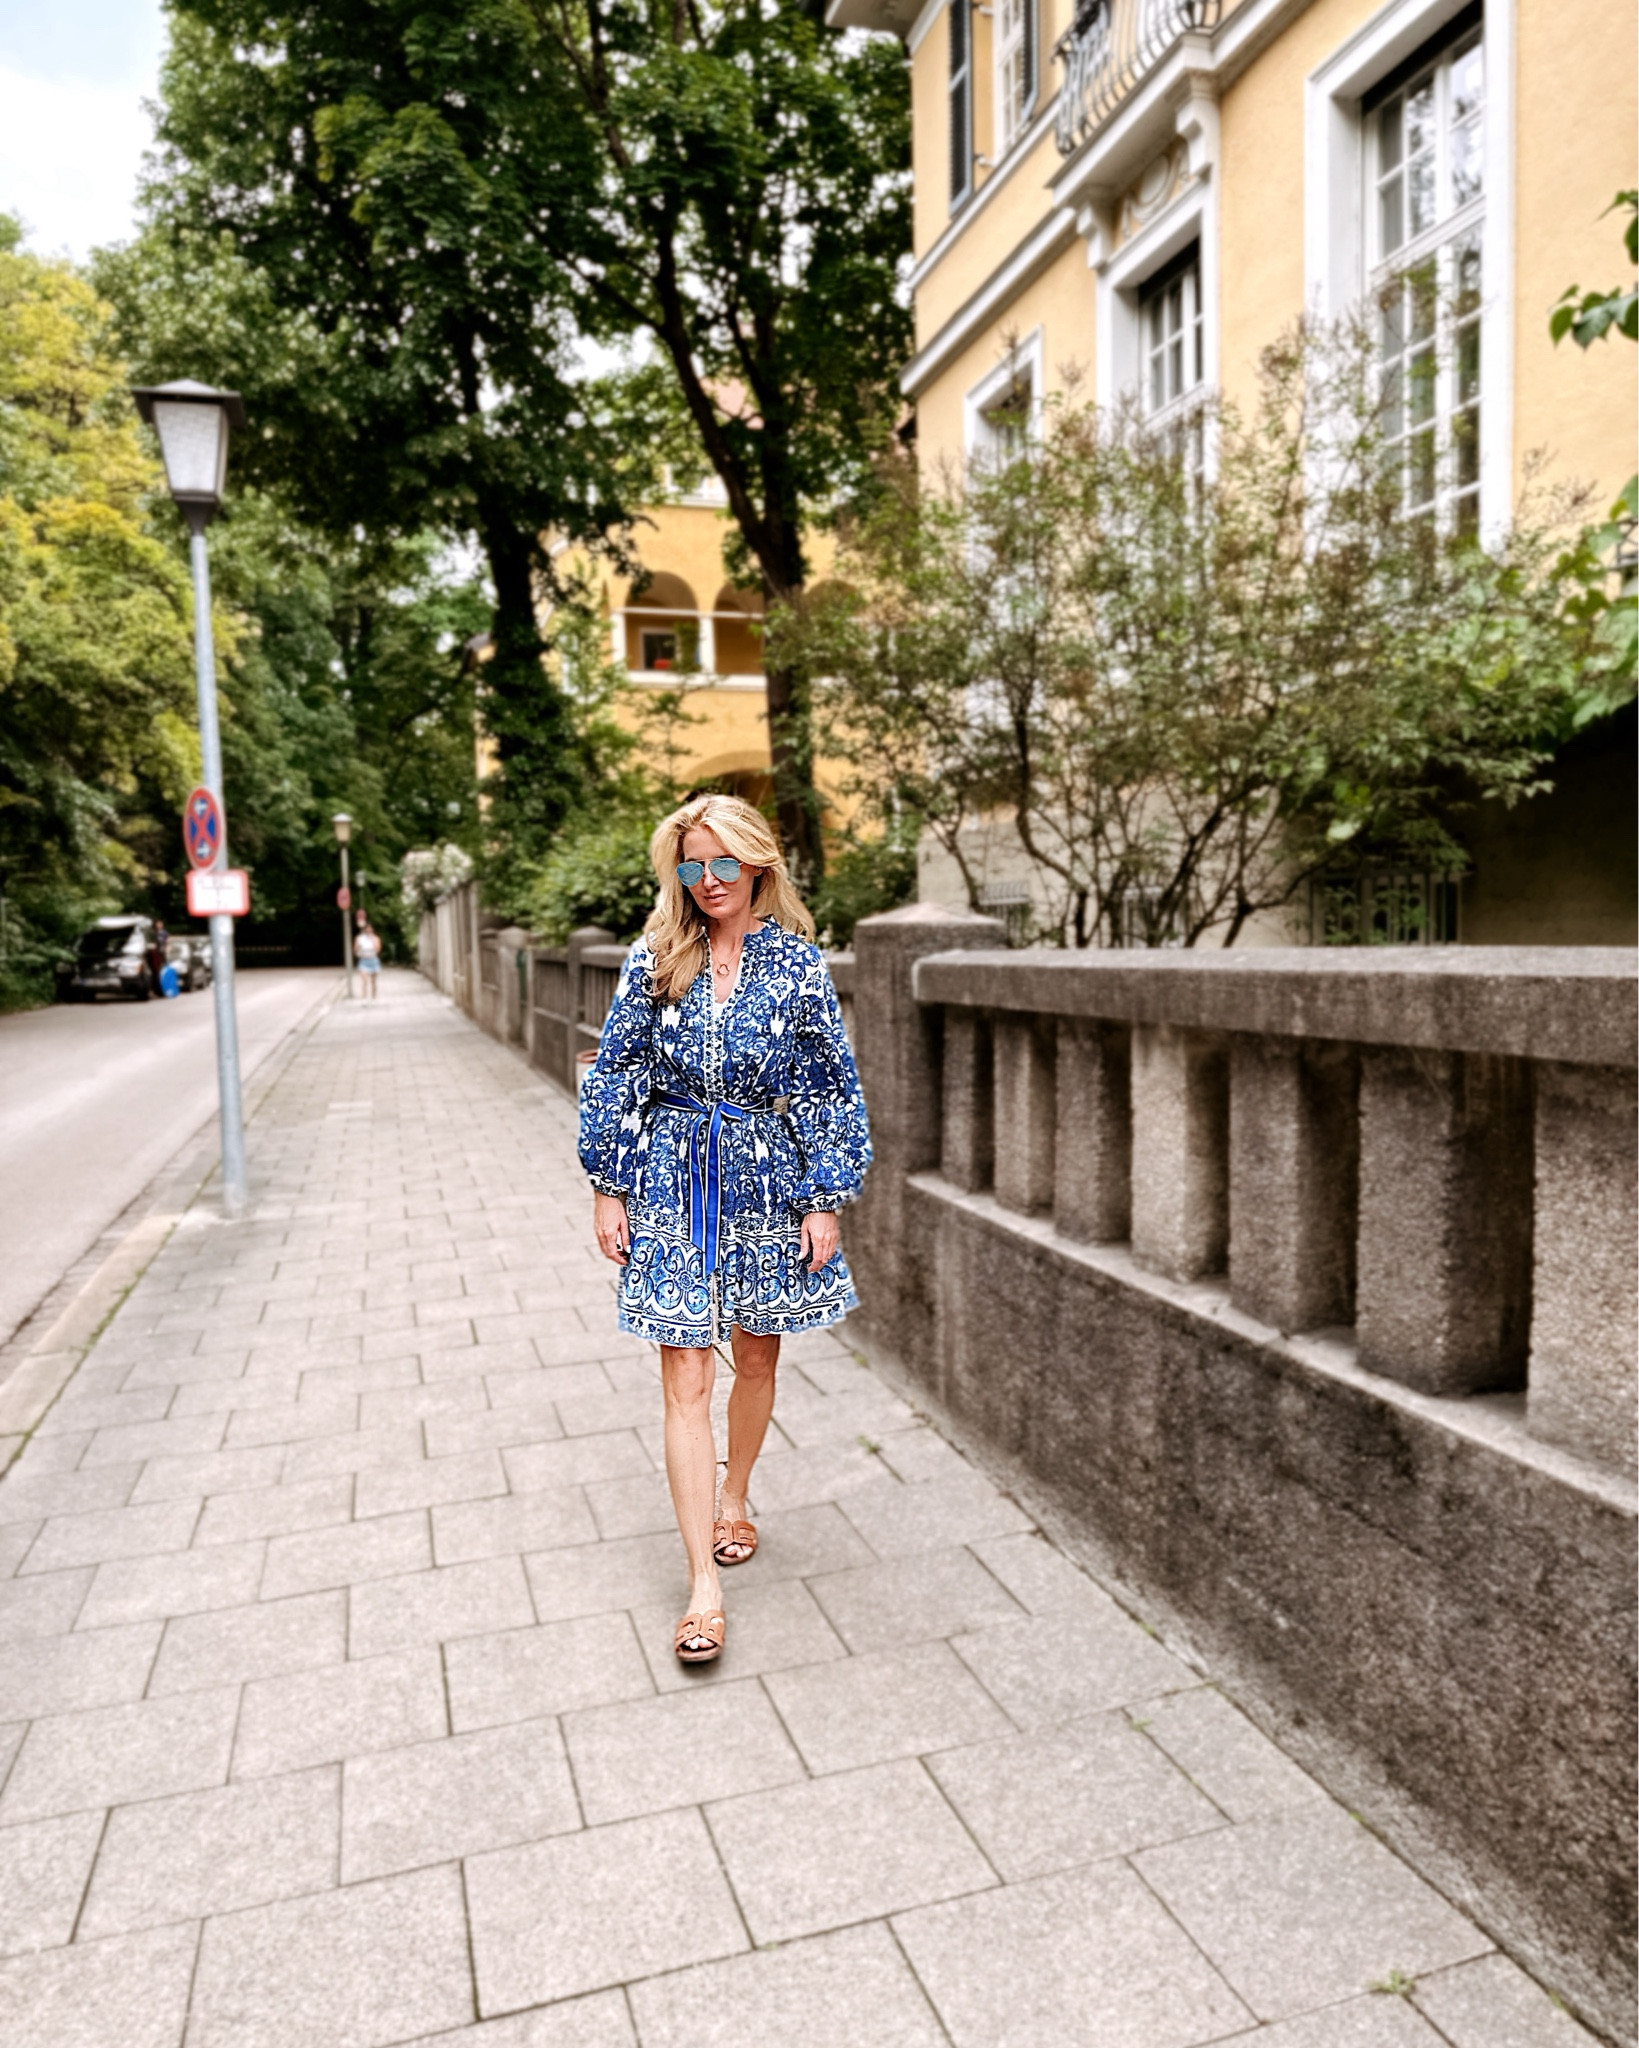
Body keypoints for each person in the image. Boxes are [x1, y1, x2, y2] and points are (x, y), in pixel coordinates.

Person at [579, 793, 871, 1664]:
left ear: (757, 866)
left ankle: (734, 1494)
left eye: (722, 864)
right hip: (669, 1174)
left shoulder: (796, 966)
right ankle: (701, 1585)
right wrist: (608, 1183)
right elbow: (616, 1068)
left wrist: (825, 1194)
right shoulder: (655, 958)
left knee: (755, 1353)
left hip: (763, 1174)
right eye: (691, 865)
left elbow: (826, 1083)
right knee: (681, 1375)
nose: (707, 882)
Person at [355, 918, 382, 997]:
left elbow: (378, 949)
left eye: (370, 929)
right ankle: (364, 996)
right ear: (364, 929)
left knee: (373, 981)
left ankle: (374, 993)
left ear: (373, 929)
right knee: (364, 980)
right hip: (363, 961)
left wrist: (372, 940)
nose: (368, 930)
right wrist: (359, 951)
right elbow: (355, 950)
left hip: (373, 960)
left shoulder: (376, 938)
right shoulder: (359, 938)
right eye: (367, 929)